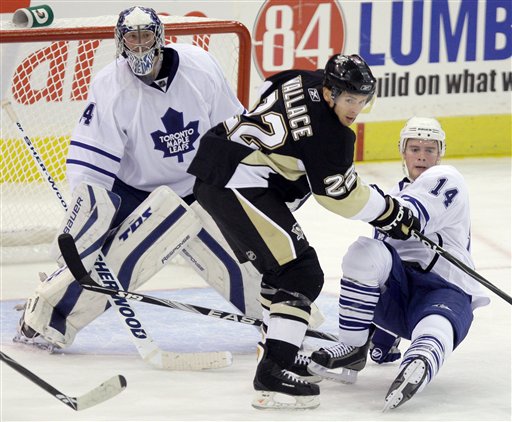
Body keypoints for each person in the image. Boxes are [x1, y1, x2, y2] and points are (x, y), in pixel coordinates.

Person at [14, 6, 263, 352]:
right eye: (132, 37)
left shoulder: (200, 67)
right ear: (121, 42)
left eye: (147, 35)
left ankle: (283, 321)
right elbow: (91, 166)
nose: (140, 44)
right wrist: (85, 230)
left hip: (196, 188)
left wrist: (246, 189)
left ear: (160, 37)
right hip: (134, 191)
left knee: (235, 259)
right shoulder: (111, 86)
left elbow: (232, 130)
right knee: (115, 263)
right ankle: (44, 320)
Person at [187, 54, 420, 409]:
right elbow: (339, 197)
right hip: (236, 183)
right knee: (302, 273)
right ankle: (273, 372)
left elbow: (268, 88)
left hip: (221, 162)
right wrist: (389, 213)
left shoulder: (303, 77)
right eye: (349, 99)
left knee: (279, 270)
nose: (355, 108)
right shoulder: (332, 136)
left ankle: (278, 348)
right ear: (330, 92)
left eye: (362, 100)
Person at [307, 117, 491, 410]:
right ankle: (353, 346)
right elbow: (380, 268)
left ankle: (421, 358)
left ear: (440, 153)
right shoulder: (392, 196)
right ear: (402, 152)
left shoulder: (447, 178)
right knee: (364, 251)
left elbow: (413, 215)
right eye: (414, 147)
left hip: (446, 289)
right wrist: (380, 338)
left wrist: (367, 202)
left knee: (435, 326)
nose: (421, 155)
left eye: (430, 149)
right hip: (399, 291)